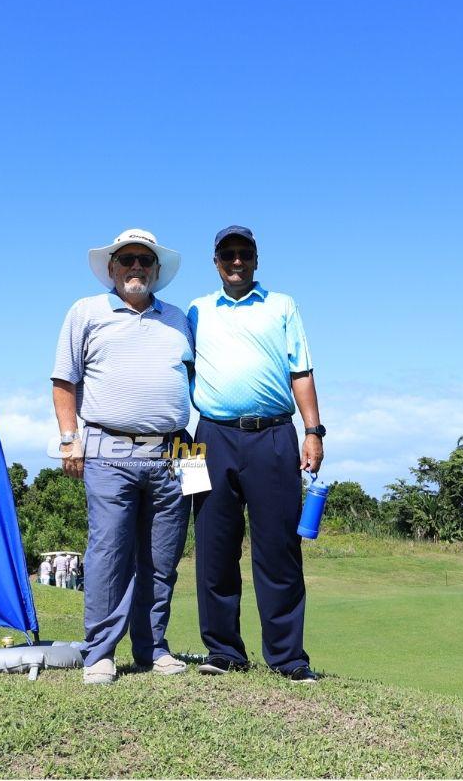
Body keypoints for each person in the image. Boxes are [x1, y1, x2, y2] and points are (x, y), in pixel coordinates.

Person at [52, 228, 194, 684]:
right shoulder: (85, 311)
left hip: (179, 448)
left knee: (164, 555)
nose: (136, 267)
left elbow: (192, 385)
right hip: (107, 447)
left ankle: (154, 648)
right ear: (112, 268)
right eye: (127, 260)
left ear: (156, 270)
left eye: (145, 261)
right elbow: (63, 381)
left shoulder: (177, 319)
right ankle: (100, 653)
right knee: (109, 553)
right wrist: (69, 439)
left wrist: (196, 463)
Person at [188, 226, 325, 684]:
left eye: (244, 253)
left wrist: (313, 431)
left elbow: (300, 371)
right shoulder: (196, 311)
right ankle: (224, 650)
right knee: (213, 547)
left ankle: (288, 658)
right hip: (207, 437)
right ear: (216, 261)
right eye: (228, 254)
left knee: (279, 548)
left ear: (256, 259)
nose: (237, 261)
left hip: (273, 435)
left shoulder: (282, 305)